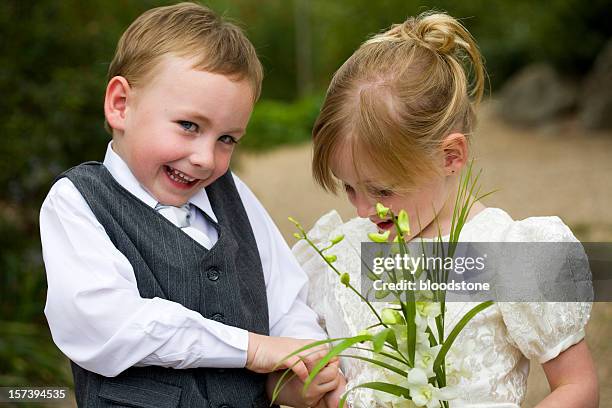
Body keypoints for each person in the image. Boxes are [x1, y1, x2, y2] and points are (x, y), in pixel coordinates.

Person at [40, 3, 344, 407]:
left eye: (227, 139)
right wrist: (251, 349)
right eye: (189, 126)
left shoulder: (231, 196)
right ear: (120, 105)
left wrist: (299, 367)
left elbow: (285, 300)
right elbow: (109, 325)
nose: (205, 157)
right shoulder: (78, 201)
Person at [293, 11, 599, 408]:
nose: (362, 210)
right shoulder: (340, 253)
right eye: (349, 188)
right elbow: (301, 375)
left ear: (451, 156)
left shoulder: (510, 254)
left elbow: (578, 387)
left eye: (382, 189)